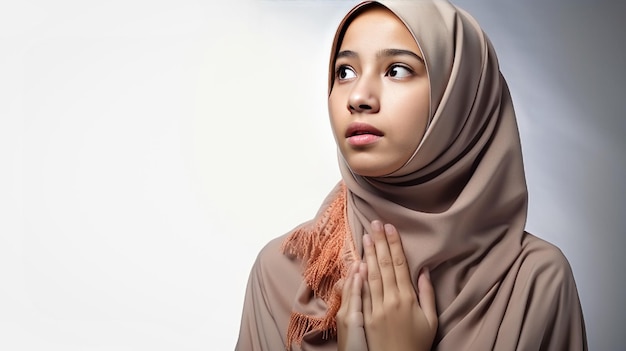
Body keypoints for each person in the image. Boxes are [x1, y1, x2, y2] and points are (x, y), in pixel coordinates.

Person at [235, 0, 588, 350]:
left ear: (459, 96)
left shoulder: (535, 283)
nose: (358, 97)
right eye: (344, 72)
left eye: (397, 70)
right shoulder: (281, 275)